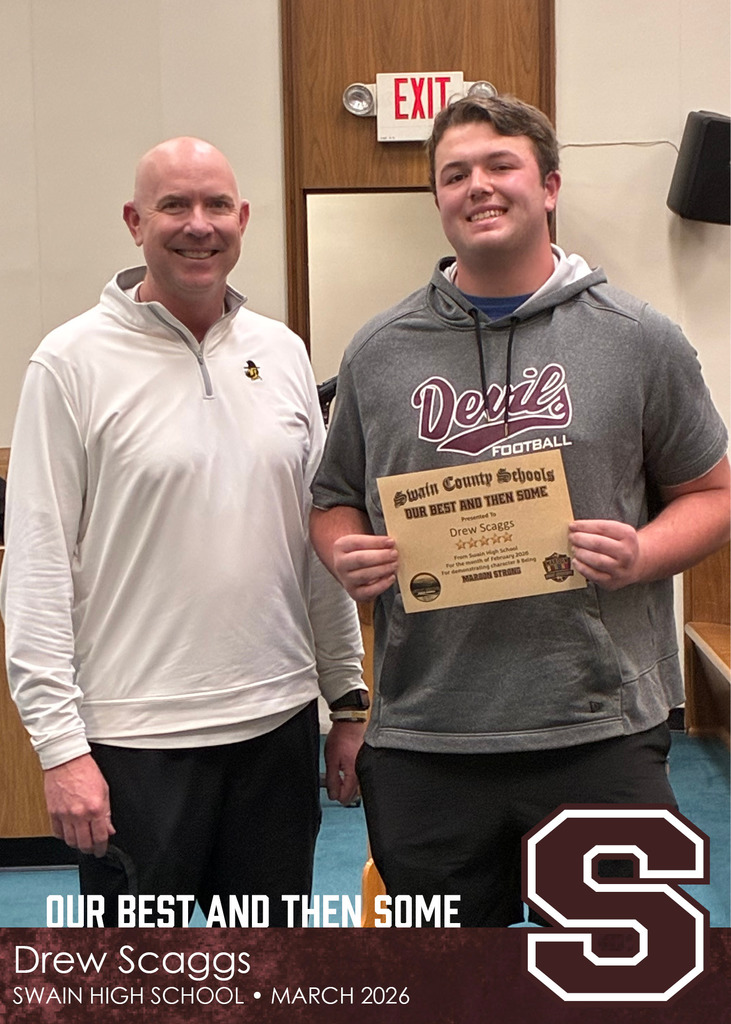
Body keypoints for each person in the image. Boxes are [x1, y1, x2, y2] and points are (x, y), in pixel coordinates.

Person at [309, 96, 730, 927]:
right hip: (427, 737)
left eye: (499, 166)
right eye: (454, 174)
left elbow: (712, 494)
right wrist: (342, 551)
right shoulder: (377, 349)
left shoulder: (639, 339)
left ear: (548, 187)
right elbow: (334, 498)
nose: (478, 187)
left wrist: (641, 554)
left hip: (595, 730)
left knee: (614, 983)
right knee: (444, 992)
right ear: (437, 199)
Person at [0, 137, 368, 926]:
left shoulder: (282, 351)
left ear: (243, 219)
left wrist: (348, 698)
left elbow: (311, 543)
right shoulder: (68, 363)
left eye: (214, 206)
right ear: (135, 221)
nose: (196, 225)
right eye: (174, 205)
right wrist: (61, 749)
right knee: (140, 990)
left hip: (275, 730)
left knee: (271, 977)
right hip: (134, 743)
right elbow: (35, 569)